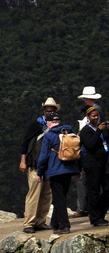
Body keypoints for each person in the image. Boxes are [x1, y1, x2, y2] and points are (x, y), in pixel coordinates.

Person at [35, 109, 81, 234]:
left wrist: (40, 172)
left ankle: (64, 225)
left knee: (58, 198)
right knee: (61, 196)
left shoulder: (49, 135)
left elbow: (43, 156)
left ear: (49, 123)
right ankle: (55, 223)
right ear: (58, 122)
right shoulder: (69, 131)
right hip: (70, 169)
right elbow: (78, 150)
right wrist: (78, 170)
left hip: (55, 170)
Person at [19, 97, 58, 233]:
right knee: (34, 193)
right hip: (35, 165)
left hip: (48, 166)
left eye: (51, 111)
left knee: (46, 194)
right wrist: (23, 160)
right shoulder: (37, 124)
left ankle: (40, 221)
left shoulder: (55, 125)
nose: (49, 113)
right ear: (44, 111)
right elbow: (25, 142)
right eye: (47, 111)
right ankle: (29, 223)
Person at [79, 104, 109, 227]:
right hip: (92, 164)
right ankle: (95, 218)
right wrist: (99, 130)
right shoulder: (85, 131)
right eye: (93, 116)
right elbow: (90, 145)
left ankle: (99, 213)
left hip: (104, 163)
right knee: (93, 191)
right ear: (88, 117)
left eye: (97, 116)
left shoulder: (102, 128)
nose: (95, 118)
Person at [71, 85, 103, 218]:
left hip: (88, 149)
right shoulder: (94, 109)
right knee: (88, 179)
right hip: (89, 147)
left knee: (83, 178)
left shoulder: (95, 110)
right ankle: (87, 206)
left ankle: (84, 207)